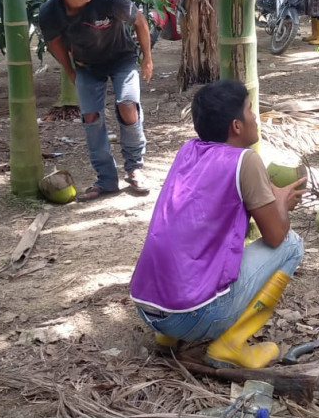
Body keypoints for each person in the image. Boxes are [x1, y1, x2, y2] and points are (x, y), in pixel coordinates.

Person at [129, 79, 306, 369]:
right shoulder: (245, 161)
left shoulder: (189, 150)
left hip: (148, 308)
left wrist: (274, 193)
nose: (255, 117)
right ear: (237, 126)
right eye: (250, 110)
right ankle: (230, 345)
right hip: (192, 316)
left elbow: (248, 190)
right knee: (291, 244)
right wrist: (283, 206)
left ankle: (168, 339)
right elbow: (275, 235)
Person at [38, 0, 153, 201]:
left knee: (127, 104)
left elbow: (140, 23)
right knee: (91, 117)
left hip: (122, 58)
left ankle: (134, 168)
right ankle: (106, 180)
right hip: (86, 66)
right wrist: (71, 72)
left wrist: (147, 58)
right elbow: (55, 43)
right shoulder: (50, 13)